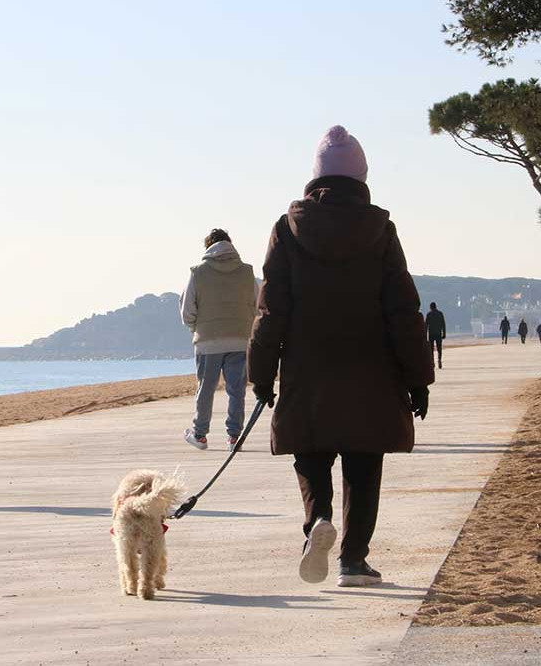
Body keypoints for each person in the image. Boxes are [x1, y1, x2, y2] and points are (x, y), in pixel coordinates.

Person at [247, 126, 434, 588]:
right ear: (362, 176)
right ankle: (353, 561)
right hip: (372, 370)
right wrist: (418, 377)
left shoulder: (286, 230)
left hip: (307, 368)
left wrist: (260, 373)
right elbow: (402, 308)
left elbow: (271, 309)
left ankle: (317, 521)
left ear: (315, 177)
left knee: (311, 456)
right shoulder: (381, 230)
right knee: (364, 464)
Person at [181, 229, 258, 452]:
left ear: (207, 246)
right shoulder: (246, 272)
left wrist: (195, 328)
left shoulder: (198, 272)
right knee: (237, 390)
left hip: (208, 341)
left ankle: (199, 434)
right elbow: (257, 303)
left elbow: (187, 309)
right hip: (240, 338)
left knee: (206, 388)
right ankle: (234, 437)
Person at [425, 302, 447, 369]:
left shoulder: (429, 314)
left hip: (431, 334)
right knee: (439, 348)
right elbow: (443, 324)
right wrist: (444, 333)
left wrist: (425, 335)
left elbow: (426, 326)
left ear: (431, 307)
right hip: (438, 334)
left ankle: (432, 362)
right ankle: (439, 359)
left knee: (431, 349)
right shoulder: (440, 314)